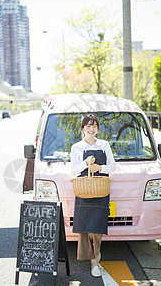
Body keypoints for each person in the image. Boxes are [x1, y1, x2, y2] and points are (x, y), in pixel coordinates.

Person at [70, 114, 116, 277]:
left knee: (97, 228)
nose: (91, 129)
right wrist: (86, 163)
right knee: (84, 228)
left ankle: (97, 254)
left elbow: (112, 166)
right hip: (83, 190)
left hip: (101, 190)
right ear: (82, 128)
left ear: (97, 128)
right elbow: (73, 170)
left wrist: (99, 168)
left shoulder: (104, 145)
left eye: (94, 125)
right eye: (88, 126)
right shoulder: (77, 147)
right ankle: (94, 262)